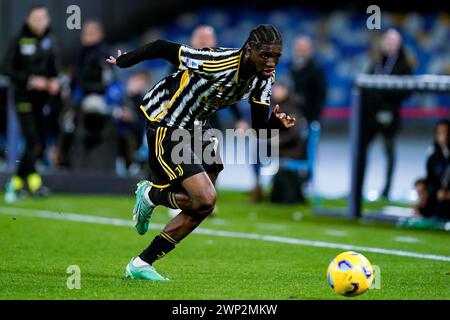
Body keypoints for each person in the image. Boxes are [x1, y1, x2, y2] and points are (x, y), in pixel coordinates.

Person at [107, 24, 295, 280]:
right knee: (205, 199)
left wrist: (277, 124)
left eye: (276, 56)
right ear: (249, 49)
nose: (271, 62)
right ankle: (151, 194)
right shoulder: (217, 61)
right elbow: (162, 47)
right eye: (265, 55)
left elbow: (260, 127)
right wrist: (123, 61)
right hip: (168, 123)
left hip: (199, 128)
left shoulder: (264, 77)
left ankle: (141, 263)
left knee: (203, 205)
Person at [2, 5, 61, 200]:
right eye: (36, 18)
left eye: (43, 18)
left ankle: (16, 183)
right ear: (28, 20)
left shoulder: (51, 41)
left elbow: (55, 69)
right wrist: (30, 79)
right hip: (23, 97)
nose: (40, 22)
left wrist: (54, 82)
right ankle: (35, 183)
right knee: (33, 139)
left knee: (38, 143)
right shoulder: (19, 39)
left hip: (43, 100)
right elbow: (6, 68)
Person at [358, 28, 413, 200]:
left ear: (399, 44)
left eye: (393, 41)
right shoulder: (376, 62)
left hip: (389, 114)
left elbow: (408, 90)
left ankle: (386, 189)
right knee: (361, 150)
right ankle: (357, 187)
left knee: (389, 151)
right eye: (387, 40)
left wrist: (387, 98)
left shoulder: (403, 64)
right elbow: (365, 83)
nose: (389, 44)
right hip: (371, 115)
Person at [413, 120, 450, 220]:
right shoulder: (433, 154)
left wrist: (447, 195)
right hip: (439, 195)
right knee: (424, 207)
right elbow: (430, 179)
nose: (444, 136)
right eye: (440, 133)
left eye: (446, 132)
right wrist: (423, 188)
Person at [290, 35, 326, 125]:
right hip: (294, 113)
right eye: (297, 49)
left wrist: (314, 116)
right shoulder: (293, 66)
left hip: (309, 114)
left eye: (303, 49)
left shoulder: (316, 68)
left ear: (310, 50)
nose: (299, 52)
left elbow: (320, 94)